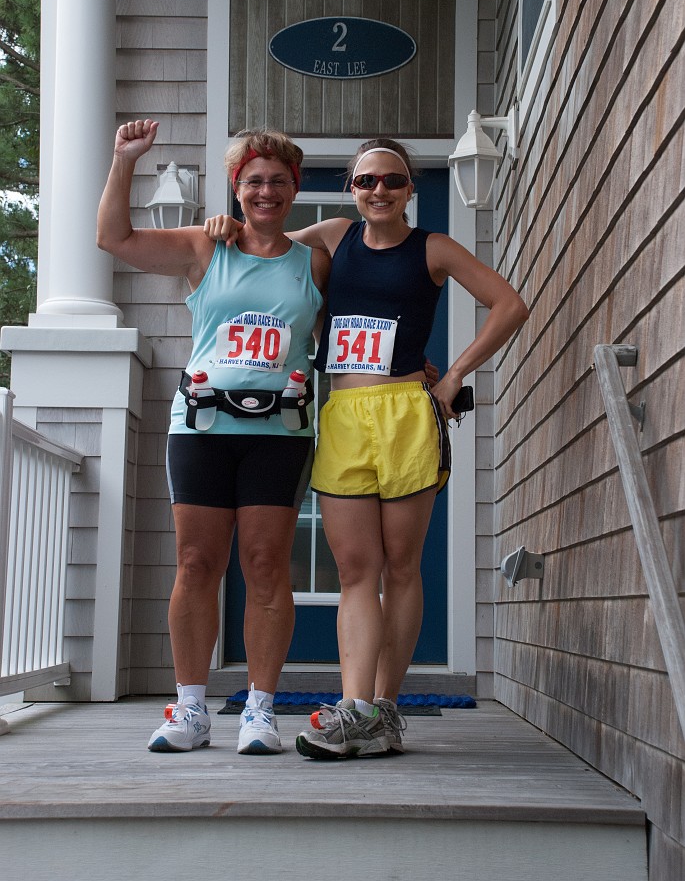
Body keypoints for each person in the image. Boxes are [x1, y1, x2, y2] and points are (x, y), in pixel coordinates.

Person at [205, 137, 529, 759]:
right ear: (353, 189)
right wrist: (226, 223)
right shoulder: (332, 236)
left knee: (401, 566)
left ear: (410, 189)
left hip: (409, 411)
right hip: (345, 412)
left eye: (391, 180)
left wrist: (457, 373)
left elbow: (507, 304)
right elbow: (261, 252)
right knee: (356, 569)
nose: (377, 191)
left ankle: (384, 708)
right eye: (365, 181)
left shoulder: (433, 248)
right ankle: (354, 708)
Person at [97, 120, 328, 755]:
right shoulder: (206, 247)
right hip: (201, 427)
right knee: (197, 563)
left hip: (278, 434)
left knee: (264, 564)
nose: (266, 192)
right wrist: (125, 160)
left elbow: (374, 291)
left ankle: (259, 708)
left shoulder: (315, 258)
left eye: (279, 182)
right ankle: (191, 708)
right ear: (236, 187)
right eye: (254, 181)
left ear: (294, 188)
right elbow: (112, 238)